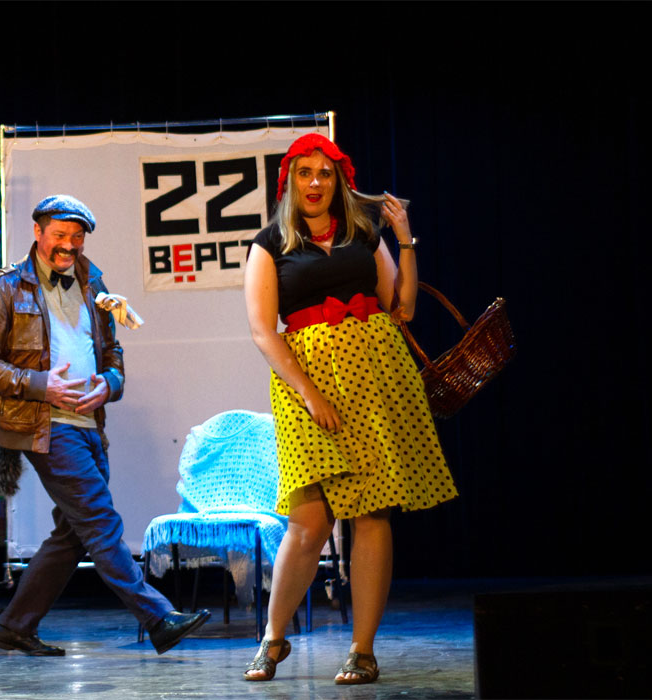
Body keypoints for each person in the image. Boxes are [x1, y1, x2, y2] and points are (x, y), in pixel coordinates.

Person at [241, 134, 458, 684]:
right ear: (289, 181)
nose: (315, 183)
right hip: (306, 384)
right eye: (304, 173)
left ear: (339, 181)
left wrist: (404, 240)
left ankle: (362, 650)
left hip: (375, 379)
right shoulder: (270, 243)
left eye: (325, 173)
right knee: (309, 519)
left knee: (373, 512)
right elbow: (264, 332)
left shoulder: (363, 232)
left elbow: (402, 306)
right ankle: (273, 636)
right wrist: (309, 393)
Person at [0, 194, 209, 657]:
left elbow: (112, 351)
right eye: (60, 235)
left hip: (89, 422)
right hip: (45, 423)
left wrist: (109, 384)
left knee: (74, 533)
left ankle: (14, 626)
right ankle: (158, 617)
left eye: (77, 237)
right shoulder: (6, 288)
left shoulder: (92, 281)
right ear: (37, 232)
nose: (69, 245)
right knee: (99, 519)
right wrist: (39, 385)